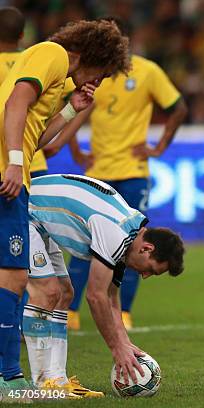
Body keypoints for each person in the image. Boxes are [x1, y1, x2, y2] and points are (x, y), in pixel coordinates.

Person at [0, 18, 130, 401]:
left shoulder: (59, 86)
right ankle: (8, 377)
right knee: (14, 279)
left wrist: (72, 110)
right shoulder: (52, 54)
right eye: (103, 73)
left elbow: (39, 141)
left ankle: (13, 377)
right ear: (92, 55)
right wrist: (12, 162)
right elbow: (16, 101)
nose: (99, 82)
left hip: (15, 174)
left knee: (17, 278)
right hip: (8, 175)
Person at [65, 17, 188, 331]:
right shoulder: (96, 73)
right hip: (99, 171)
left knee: (135, 244)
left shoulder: (147, 71)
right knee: (85, 241)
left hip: (133, 171)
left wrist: (159, 146)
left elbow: (178, 107)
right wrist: (76, 151)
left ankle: (125, 311)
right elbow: (76, 108)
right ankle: (72, 311)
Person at [24, 173, 184, 398]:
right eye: (151, 269)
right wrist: (116, 349)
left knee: (64, 294)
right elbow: (95, 296)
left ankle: (57, 381)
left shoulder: (130, 232)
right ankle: (42, 384)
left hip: (38, 218)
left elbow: (111, 297)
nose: (145, 276)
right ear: (146, 249)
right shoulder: (116, 233)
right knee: (48, 292)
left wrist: (125, 342)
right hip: (23, 210)